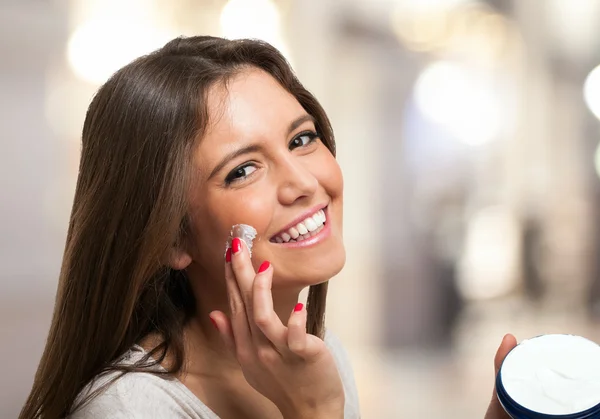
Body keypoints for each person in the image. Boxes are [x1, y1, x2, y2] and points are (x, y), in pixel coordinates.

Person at [19, 35, 516, 419]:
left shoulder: (313, 358)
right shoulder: (127, 409)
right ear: (173, 237)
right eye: (243, 169)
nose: (303, 182)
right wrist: (314, 411)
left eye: (302, 139)